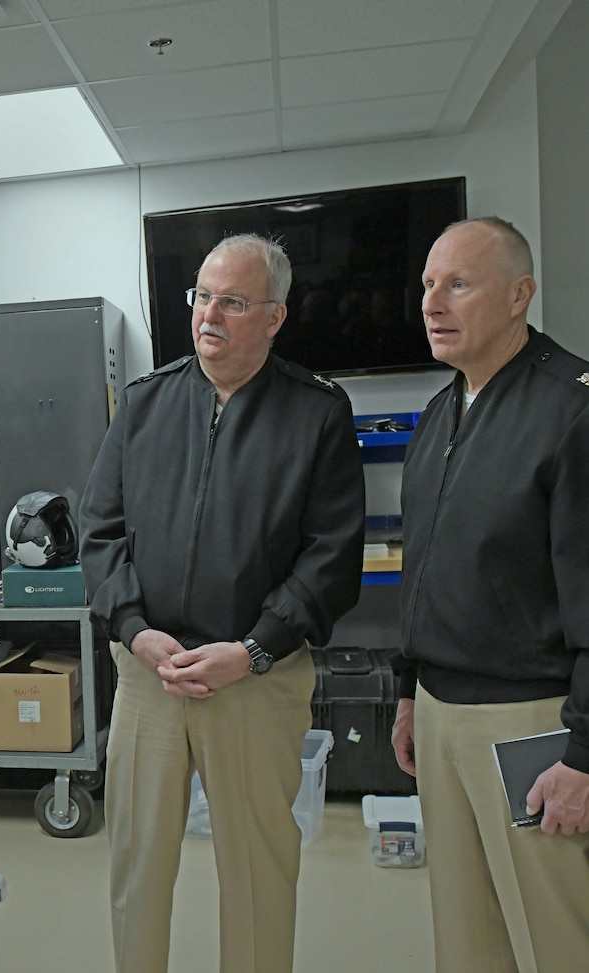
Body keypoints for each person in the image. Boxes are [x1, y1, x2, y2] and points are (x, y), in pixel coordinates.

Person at [79, 233, 365, 973]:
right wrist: (136, 631)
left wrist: (256, 647)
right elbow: (100, 532)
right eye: (202, 296)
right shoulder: (144, 403)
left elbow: (331, 558)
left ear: (274, 315)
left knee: (260, 876)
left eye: (233, 302)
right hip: (150, 676)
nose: (210, 314)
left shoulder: (318, 412)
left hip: (255, 680)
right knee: (137, 870)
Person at [393, 216, 589, 972]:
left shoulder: (569, 411)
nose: (432, 302)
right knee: (467, 939)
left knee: (555, 937)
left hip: (532, 728)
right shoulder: (443, 412)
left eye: (459, 284)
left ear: (520, 294)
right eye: (427, 286)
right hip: (442, 716)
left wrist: (584, 751)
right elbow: (428, 568)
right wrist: (410, 692)